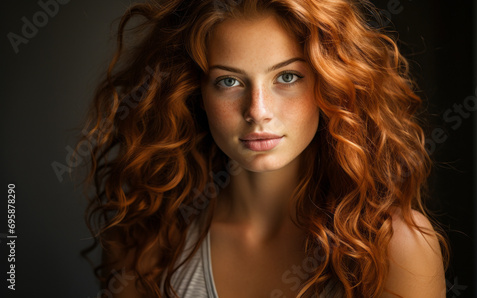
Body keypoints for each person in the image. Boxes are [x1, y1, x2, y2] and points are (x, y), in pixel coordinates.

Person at [80, 0, 450, 297]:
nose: (258, 111)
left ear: (332, 84)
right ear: (195, 94)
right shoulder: (145, 243)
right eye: (229, 81)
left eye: (287, 77)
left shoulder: (395, 249)